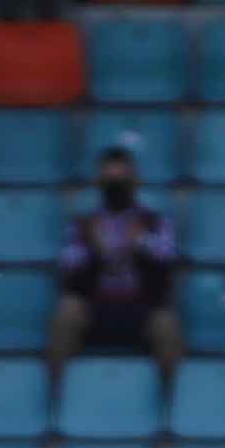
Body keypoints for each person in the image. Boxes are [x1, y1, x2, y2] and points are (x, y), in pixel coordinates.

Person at [51, 144, 182, 370]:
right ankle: (57, 395)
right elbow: (68, 264)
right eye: (110, 180)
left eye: (121, 180)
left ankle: (170, 400)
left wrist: (141, 242)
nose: (116, 186)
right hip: (95, 306)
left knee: (166, 325)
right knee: (66, 314)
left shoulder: (154, 221)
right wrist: (93, 248)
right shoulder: (83, 225)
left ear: (134, 181)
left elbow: (167, 258)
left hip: (141, 306)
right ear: (100, 183)